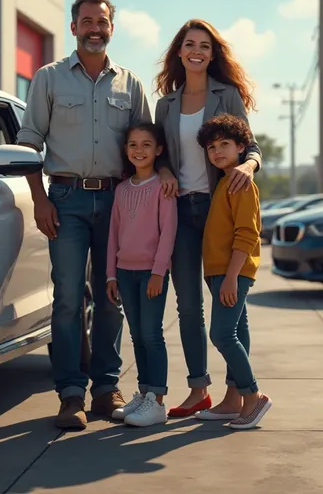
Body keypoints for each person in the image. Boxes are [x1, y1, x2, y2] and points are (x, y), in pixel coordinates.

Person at [17, 0, 154, 430]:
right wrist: (39, 199)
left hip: (119, 202)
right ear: (74, 27)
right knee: (68, 298)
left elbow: (147, 147)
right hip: (65, 200)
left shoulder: (130, 84)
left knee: (113, 295)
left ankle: (105, 389)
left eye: (103, 22)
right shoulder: (49, 78)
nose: (95, 28)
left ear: (112, 28)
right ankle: (70, 394)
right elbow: (28, 142)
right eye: (87, 21)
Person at [154, 19, 262, 417]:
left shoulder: (227, 95)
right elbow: (161, 153)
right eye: (189, 44)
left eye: (204, 45)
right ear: (179, 52)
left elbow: (249, 145)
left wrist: (249, 167)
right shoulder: (165, 104)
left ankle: (237, 395)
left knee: (230, 301)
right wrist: (163, 169)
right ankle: (199, 388)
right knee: (187, 306)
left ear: (212, 54)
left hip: (221, 206)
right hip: (181, 210)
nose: (196, 51)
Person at [194, 113, 272, 429]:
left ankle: (253, 396)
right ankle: (234, 402)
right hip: (219, 272)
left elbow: (247, 234)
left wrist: (230, 276)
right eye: (212, 147)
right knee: (236, 331)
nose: (218, 152)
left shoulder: (240, 183)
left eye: (225, 144)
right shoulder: (224, 182)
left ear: (242, 147)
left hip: (233, 272)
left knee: (222, 334)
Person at [106, 123, 177, 427]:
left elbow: (168, 232)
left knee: (151, 334)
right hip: (124, 273)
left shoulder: (163, 188)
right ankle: (145, 392)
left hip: (151, 274)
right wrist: (110, 275)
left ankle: (157, 402)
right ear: (126, 150)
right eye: (133, 145)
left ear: (158, 150)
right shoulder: (121, 189)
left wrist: (159, 272)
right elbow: (113, 234)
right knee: (136, 336)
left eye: (147, 144)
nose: (139, 150)